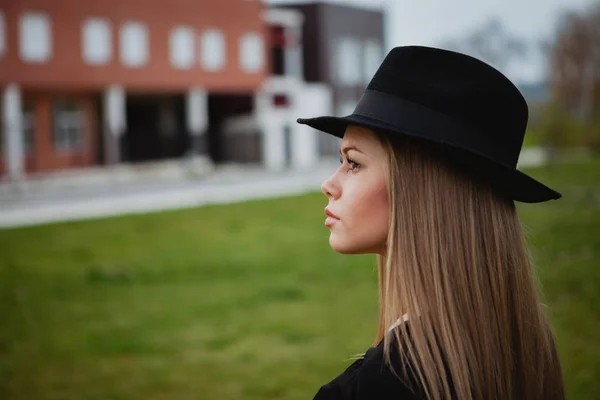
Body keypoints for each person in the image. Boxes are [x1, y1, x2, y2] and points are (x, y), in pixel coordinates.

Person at [296, 46, 565, 400]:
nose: (329, 185)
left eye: (354, 163)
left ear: (419, 191)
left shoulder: (385, 384)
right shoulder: (525, 341)